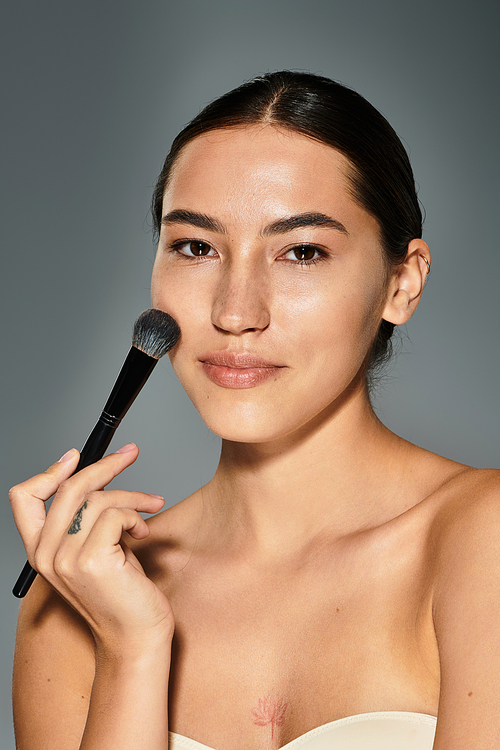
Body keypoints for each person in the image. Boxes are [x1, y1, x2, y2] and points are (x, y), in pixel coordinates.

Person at [9, 71, 500, 750]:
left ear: (402, 283)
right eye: (196, 247)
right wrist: (132, 650)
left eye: (302, 252)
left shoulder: (484, 539)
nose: (235, 312)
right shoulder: (75, 596)